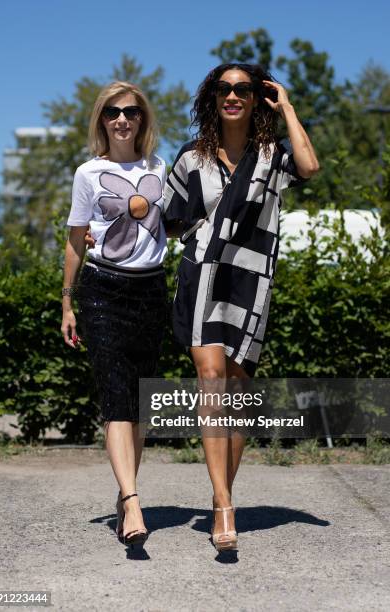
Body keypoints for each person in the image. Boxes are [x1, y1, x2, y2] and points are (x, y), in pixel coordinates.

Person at [163, 62, 319, 551]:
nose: (233, 96)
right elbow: (168, 219)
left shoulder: (272, 154)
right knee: (211, 383)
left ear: (257, 98)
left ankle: (219, 497)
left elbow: (310, 167)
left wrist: (289, 107)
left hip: (252, 280)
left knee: (236, 396)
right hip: (204, 274)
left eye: (243, 89)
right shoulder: (192, 158)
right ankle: (225, 505)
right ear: (213, 97)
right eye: (224, 89)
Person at [61, 81, 168, 548]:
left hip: (152, 291)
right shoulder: (88, 173)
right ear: (101, 120)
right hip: (102, 290)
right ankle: (132, 499)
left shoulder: (160, 168)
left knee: (140, 405)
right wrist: (67, 301)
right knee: (115, 397)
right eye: (112, 112)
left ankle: (126, 494)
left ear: (142, 119)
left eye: (130, 111)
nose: (122, 119)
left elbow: (177, 219)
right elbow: (74, 238)